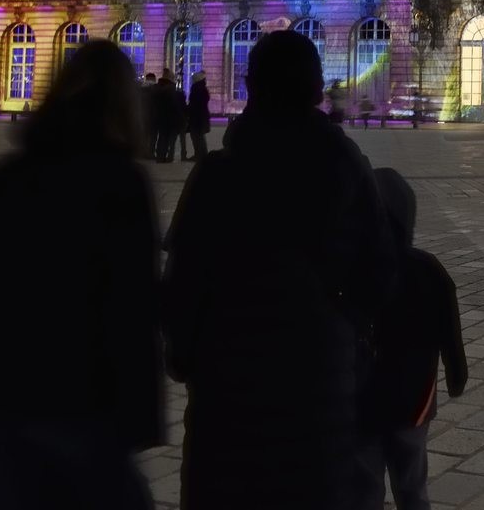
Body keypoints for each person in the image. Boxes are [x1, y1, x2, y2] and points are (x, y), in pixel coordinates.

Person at [163, 31, 397, 510]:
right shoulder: (348, 170)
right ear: (316, 91)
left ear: (250, 86)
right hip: (318, 396)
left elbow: (181, 290)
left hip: (227, 402)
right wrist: (340, 333)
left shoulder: (216, 176)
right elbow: (381, 276)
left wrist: (187, 359)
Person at [0, 40, 161, 509]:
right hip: (81, 401)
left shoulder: (9, 174)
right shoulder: (122, 185)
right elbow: (132, 309)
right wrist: (140, 413)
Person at [365, 169, 468, 510]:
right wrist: (456, 374)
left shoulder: (354, 268)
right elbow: (449, 329)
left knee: (365, 488)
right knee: (411, 485)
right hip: (414, 398)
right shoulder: (429, 269)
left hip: (363, 400)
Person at [153, 71, 186, 164]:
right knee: (171, 139)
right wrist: (181, 118)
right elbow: (175, 106)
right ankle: (169, 157)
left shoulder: (157, 88)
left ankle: (160, 156)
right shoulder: (172, 90)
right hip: (172, 119)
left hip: (161, 118)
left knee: (162, 138)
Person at [186, 72, 211, 161]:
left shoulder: (197, 88)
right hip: (201, 117)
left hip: (197, 117)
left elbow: (194, 104)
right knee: (199, 137)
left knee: (197, 137)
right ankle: (201, 154)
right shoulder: (203, 88)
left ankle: (200, 155)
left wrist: (188, 110)